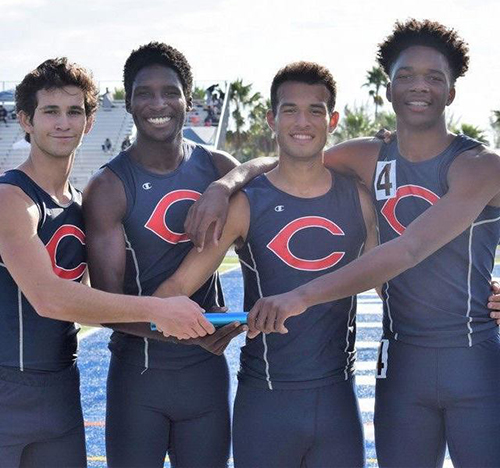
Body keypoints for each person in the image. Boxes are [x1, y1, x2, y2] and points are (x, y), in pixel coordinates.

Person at [203, 19, 500, 467]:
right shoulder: (369, 156)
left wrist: (301, 296)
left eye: (434, 77)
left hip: (474, 363)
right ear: (388, 88)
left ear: (452, 93)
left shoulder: (480, 165)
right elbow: (289, 156)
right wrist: (224, 185)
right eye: (406, 75)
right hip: (401, 368)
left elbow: (409, 249)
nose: (419, 87)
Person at [154, 61, 378, 467]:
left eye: (315, 110)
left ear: (334, 120)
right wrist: (205, 323)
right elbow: (171, 292)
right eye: (290, 110)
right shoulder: (245, 205)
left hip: (339, 403)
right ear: (271, 119)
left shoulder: (359, 199)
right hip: (266, 403)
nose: (302, 121)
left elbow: (391, 284)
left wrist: (478, 295)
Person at [0, 58, 213, 468]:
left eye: (74, 111)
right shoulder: (11, 199)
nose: (63, 123)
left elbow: (96, 301)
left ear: (90, 121)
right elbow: (49, 299)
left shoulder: (81, 203)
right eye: (50, 111)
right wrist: (159, 308)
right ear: (26, 120)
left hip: (61, 390)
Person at [83, 42, 276, 468]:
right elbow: (106, 304)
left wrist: (225, 186)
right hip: (140, 379)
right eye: (144, 93)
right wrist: (182, 329)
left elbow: (276, 166)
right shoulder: (109, 186)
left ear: (188, 100)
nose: (158, 103)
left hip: (207, 377)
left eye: (170, 92)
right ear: (129, 102)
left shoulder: (215, 166)